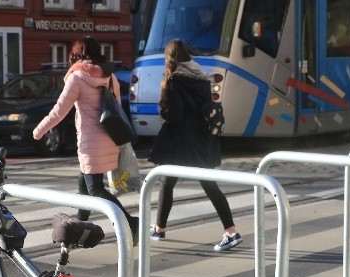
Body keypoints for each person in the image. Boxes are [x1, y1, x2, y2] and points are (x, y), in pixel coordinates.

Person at [33, 36, 139, 243]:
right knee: (83, 184)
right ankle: (79, 228)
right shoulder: (109, 76)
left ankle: (129, 222)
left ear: (77, 54)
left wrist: (38, 131)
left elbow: (59, 111)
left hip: (90, 143)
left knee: (95, 189)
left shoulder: (77, 78)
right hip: (109, 138)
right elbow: (116, 108)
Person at [147, 39, 241, 252]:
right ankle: (230, 230)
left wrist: (164, 112)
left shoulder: (175, 81)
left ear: (170, 58)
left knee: (167, 181)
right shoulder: (201, 78)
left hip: (181, 143)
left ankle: (160, 229)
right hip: (202, 140)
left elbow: (177, 116)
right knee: (208, 184)